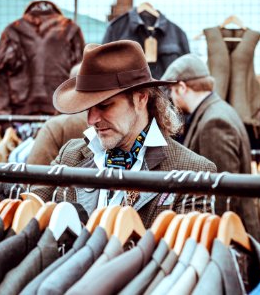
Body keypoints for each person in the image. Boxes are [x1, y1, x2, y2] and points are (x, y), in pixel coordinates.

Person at [37, 40, 217, 228]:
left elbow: (181, 252)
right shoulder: (70, 155)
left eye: (104, 106)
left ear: (141, 98)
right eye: (88, 108)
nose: (91, 120)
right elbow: (30, 207)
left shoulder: (191, 172)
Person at [161, 53, 260, 242]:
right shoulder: (218, 111)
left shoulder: (214, 122)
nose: (171, 98)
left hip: (228, 237)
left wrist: (213, 244)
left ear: (182, 87)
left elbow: (221, 196)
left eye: (172, 90)